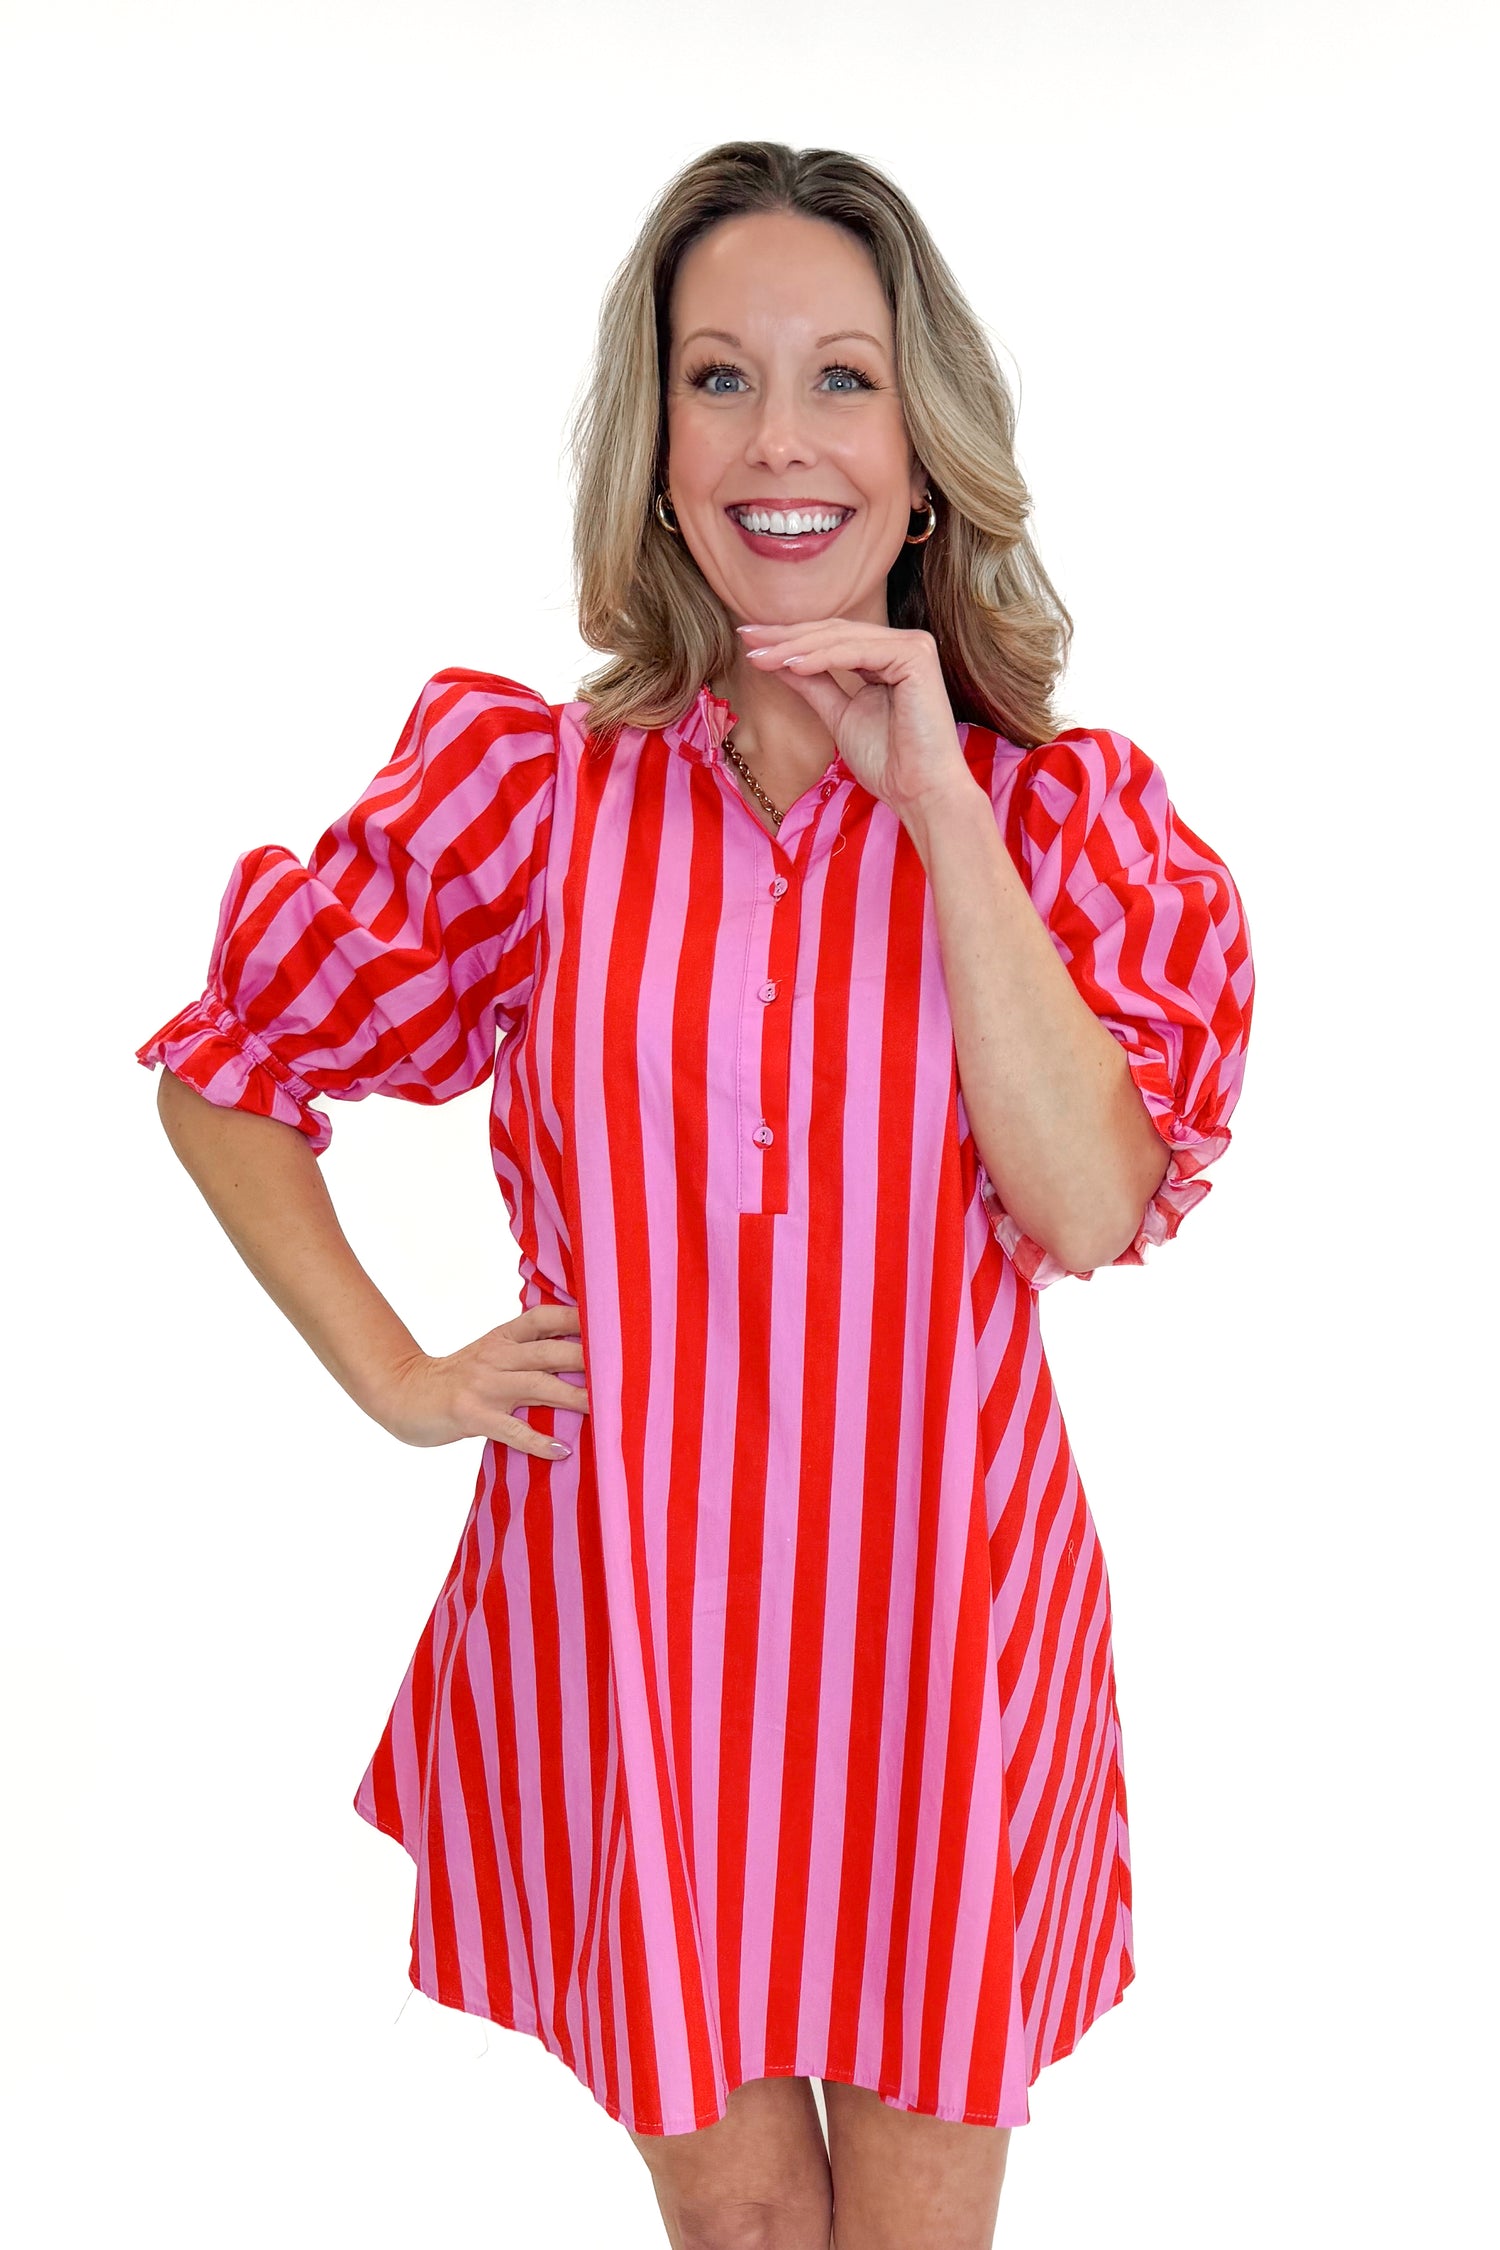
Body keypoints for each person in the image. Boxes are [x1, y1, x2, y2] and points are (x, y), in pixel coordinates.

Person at [136, 139, 1255, 2250]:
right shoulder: (526, 798)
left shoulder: (1059, 820)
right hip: (636, 1624)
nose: (779, 441)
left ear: (925, 455)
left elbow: (1094, 1208)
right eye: (718, 379)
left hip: (943, 1624)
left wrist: (936, 794)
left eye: (842, 379)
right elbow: (231, 1075)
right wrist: (394, 1375)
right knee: (743, 2237)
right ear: (655, 450)